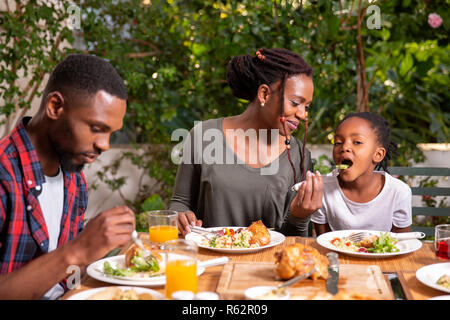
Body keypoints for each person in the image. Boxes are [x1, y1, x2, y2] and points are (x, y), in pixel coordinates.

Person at [0, 54, 136, 299]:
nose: (104, 145)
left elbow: (67, 277)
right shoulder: (4, 175)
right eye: (96, 128)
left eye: (111, 133)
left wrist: (104, 248)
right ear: (55, 106)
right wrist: (77, 250)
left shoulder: (73, 178)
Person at [170, 48, 323, 237]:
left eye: (306, 106)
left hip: (269, 265)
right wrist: (181, 217)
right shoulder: (204, 136)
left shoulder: (299, 155)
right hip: (211, 263)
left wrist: (300, 217)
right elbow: (179, 203)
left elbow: (296, 242)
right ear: (264, 94)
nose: (303, 114)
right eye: (295, 103)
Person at [311, 112, 412, 235]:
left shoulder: (398, 192)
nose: (344, 147)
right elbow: (323, 241)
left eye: (357, 142)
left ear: (378, 154)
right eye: (338, 142)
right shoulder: (323, 188)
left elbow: (402, 244)